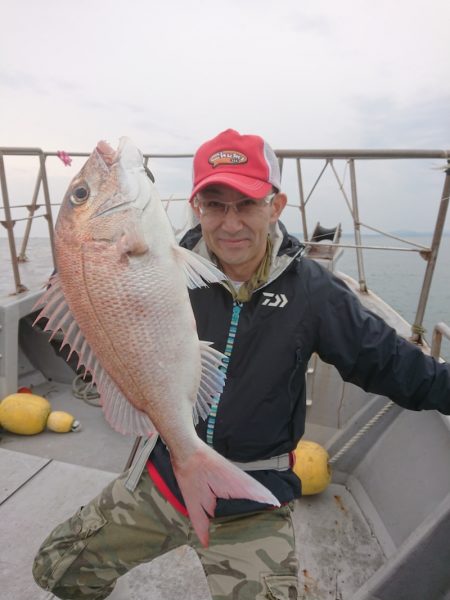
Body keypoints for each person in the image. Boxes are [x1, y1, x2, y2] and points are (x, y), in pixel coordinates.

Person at [32, 129, 450, 600]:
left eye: (246, 203)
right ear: (196, 207)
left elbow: (391, 362)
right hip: (164, 475)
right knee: (54, 569)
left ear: (276, 205)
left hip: (254, 499)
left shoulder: (311, 292)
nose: (230, 224)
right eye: (215, 204)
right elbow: (86, 288)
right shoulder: (165, 260)